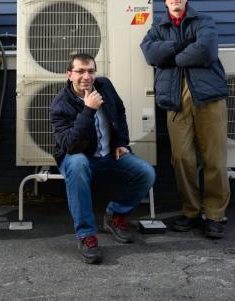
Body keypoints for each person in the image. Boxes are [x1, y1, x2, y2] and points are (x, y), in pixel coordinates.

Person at [140, 0, 230, 239]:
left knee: (214, 158)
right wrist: (181, 46)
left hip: (208, 96)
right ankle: (191, 211)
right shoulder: (158, 27)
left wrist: (174, 57)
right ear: (165, 1)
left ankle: (214, 215)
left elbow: (206, 50)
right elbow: (150, 54)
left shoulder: (203, 21)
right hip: (175, 99)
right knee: (182, 158)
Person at [49, 53, 156, 264]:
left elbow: (121, 111)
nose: (86, 76)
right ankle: (86, 235)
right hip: (77, 157)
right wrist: (88, 110)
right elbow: (69, 145)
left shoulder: (104, 85)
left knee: (146, 173)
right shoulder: (60, 105)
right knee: (78, 164)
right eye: (80, 71)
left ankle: (115, 215)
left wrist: (122, 143)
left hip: (109, 154)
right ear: (69, 74)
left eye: (90, 70)